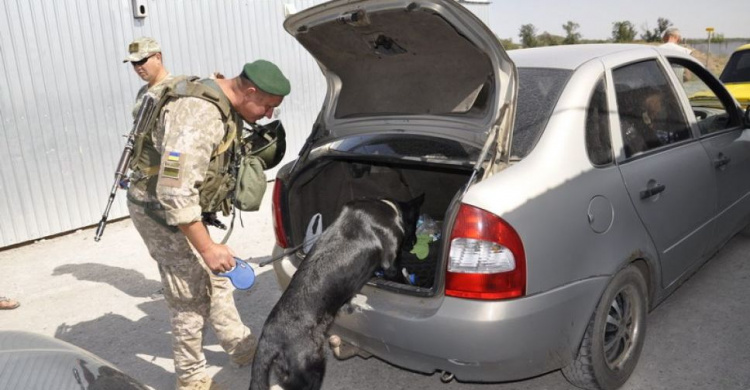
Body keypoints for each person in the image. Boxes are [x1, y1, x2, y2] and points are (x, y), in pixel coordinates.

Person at [124, 59, 290, 390]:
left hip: (182, 208)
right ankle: (191, 379)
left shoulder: (223, 96)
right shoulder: (198, 117)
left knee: (217, 278)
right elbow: (174, 192)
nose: (270, 115)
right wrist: (207, 247)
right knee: (188, 293)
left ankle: (241, 347)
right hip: (159, 210)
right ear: (250, 91)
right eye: (268, 106)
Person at [123, 37, 173, 118]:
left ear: (158, 57)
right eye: (134, 63)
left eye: (141, 61)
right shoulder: (143, 91)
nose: (138, 67)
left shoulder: (173, 89)